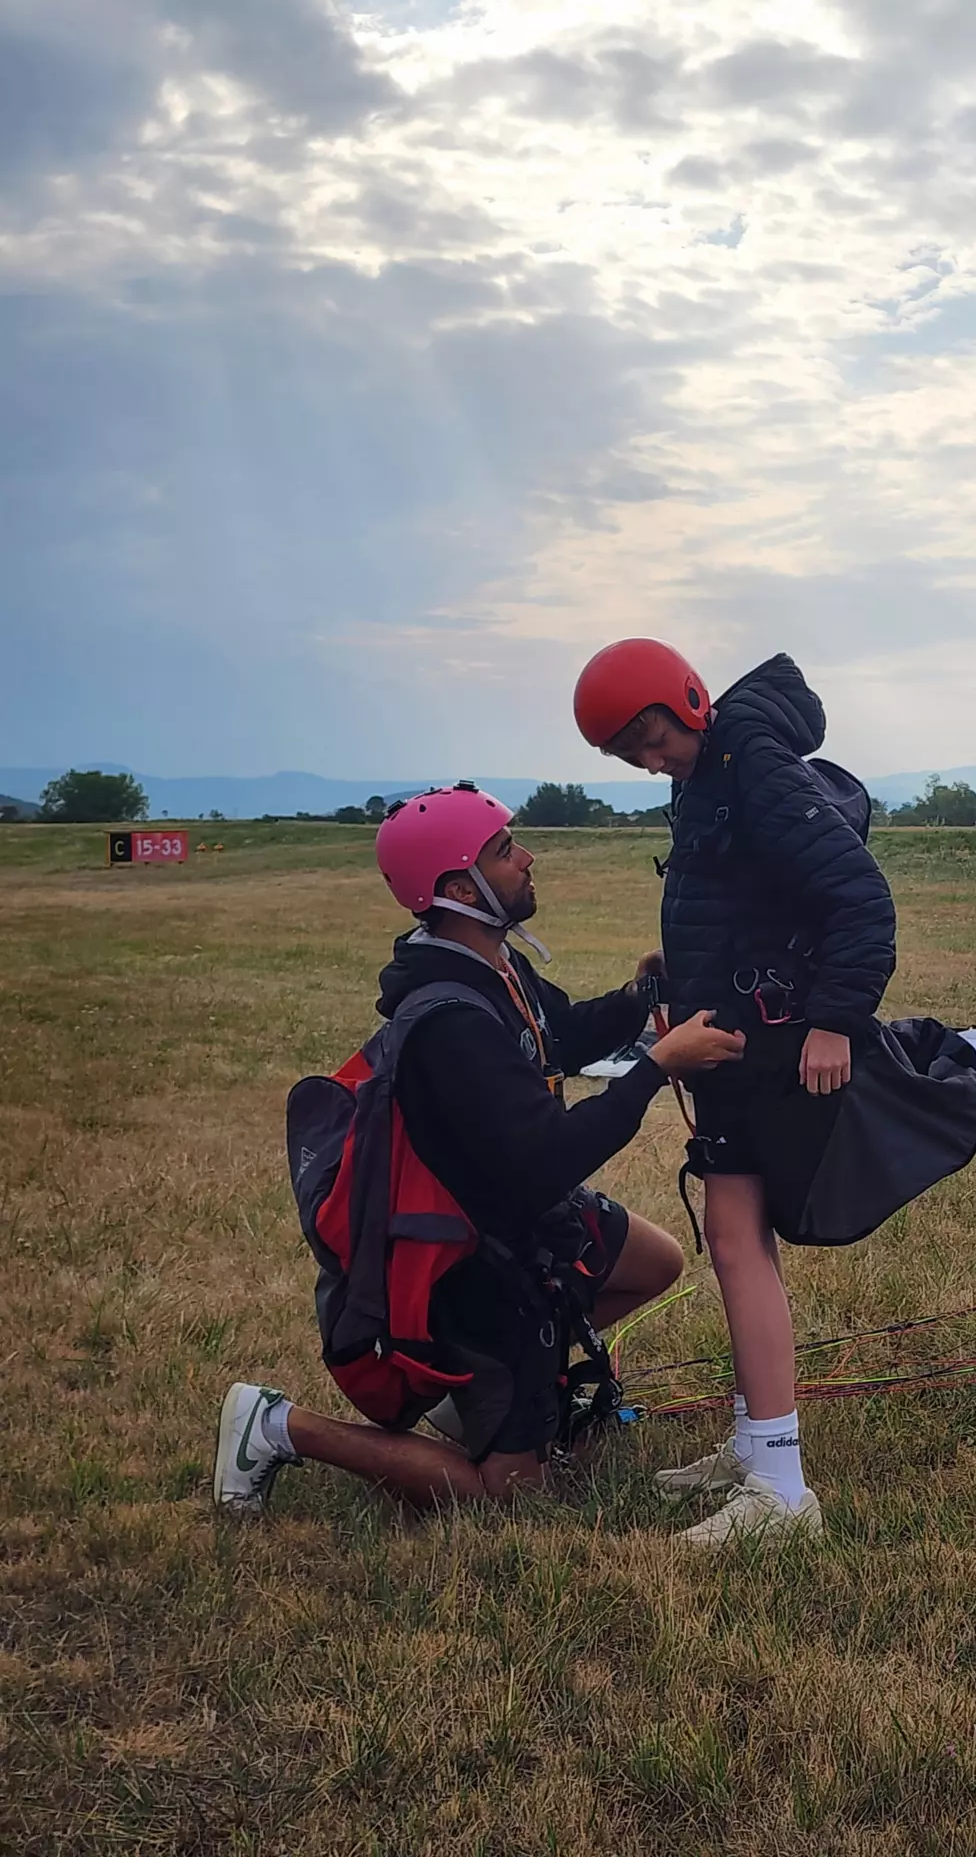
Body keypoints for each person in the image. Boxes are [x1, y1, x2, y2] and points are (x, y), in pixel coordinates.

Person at [214, 782, 743, 1515]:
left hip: (519, 1218)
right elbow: (550, 1156)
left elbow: (556, 1031)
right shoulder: (450, 1020)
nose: (526, 859)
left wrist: (637, 995)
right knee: (506, 1498)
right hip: (469, 1263)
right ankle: (275, 1425)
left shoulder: (490, 967)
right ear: (460, 886)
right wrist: (656, 1067)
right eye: (504, 851)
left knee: (653, 1262)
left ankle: (498, 1399)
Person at [574, 641, 897, 1543]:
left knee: (734, 1239)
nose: (648, 760)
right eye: (626, 754)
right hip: (729, 1042)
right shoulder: (708, 768)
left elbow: (858, 897)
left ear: (686, 700)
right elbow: (743, 895)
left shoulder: (750, 760)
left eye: (649, 738)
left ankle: (782, 1489)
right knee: (733, 1239)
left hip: (769, 1047)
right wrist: (678, 966)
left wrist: (835, 1021)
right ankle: (759, 1449)